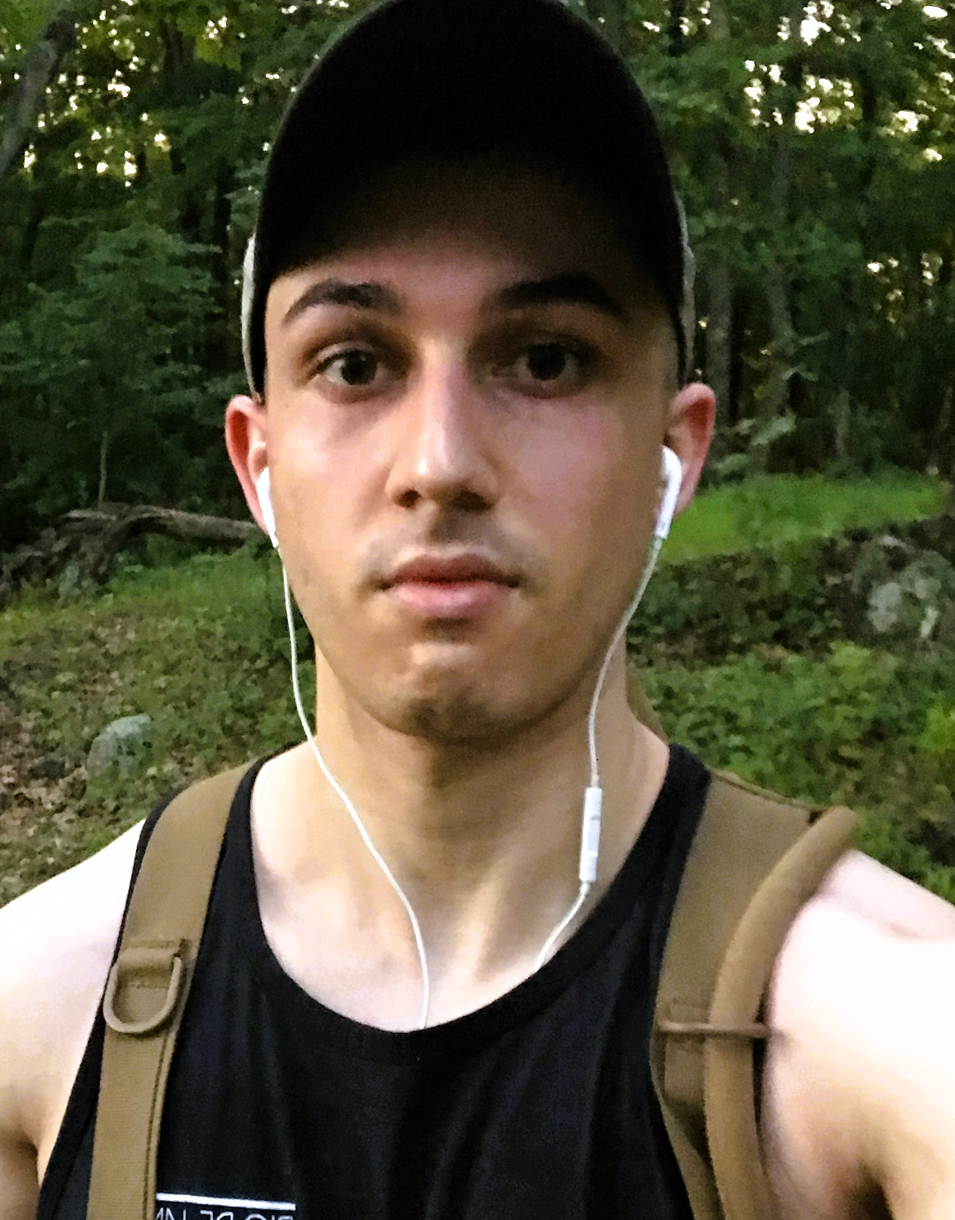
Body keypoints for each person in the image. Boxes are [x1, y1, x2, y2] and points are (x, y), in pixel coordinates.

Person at [2, 0, 954, 1217]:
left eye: (545, 357)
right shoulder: (39, 1015)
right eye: (355, 362)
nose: (440, 459)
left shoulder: (881, 1029)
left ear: (675, 454)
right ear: (260, 465)